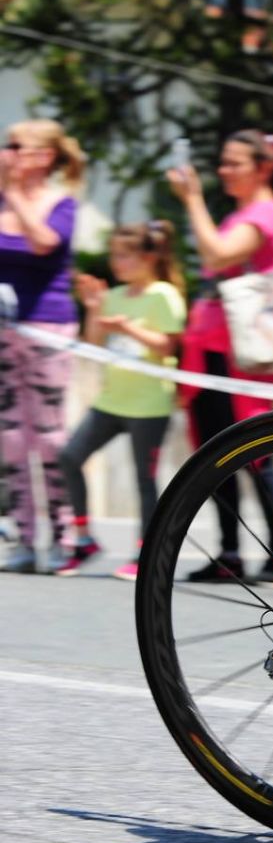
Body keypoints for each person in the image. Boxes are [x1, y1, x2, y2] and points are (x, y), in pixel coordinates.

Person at [171, 130, 273, 583]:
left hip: (243, 351)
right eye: (222, 162)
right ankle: (230, 552)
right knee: (215, 453)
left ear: (262, 168)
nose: (223, 170)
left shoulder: (267, 213)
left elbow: (216, 255)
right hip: (213, 346)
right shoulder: (241, 213)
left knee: (254, 449)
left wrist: (192, 199)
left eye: (234, 163)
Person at [55, 222, 187, 578]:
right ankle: (83, 539)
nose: (117, 263)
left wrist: (126, 327)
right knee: (69, 457)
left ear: (148, 257)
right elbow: (94, 345)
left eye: (125, 256)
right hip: (111, 401)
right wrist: (93, 308)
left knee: (145, 480)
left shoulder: (163, 295)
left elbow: (167, 346)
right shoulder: (113, 295)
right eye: (114, 255)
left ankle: (146, 554)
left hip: (149, 405)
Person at [0, 119, 87, 574]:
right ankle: (22, 536)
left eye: (17, 146)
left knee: (50, 435)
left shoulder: (61, 203)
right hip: (4, 329)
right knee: (11, 436)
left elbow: (44, 243)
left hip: (48, 326)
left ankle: (63, 534)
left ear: (45, 156)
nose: (8, 152)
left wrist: (12, 192)